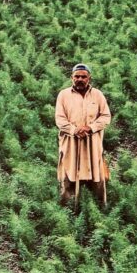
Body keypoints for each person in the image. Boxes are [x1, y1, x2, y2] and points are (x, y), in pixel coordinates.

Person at [55, 63, 112, 207]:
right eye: (77, 76)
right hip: (71, 144)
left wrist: (90, 128)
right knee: (69, 176)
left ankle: (98, 210)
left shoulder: (98, 95)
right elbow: (60, 119)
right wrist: (75, 130)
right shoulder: (63, 95)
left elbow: (106, 117)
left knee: (97, 176)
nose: (80, 79)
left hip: (93, 143)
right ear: (71, 78)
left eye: (83, 77)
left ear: (89, 78)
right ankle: (68, 210)